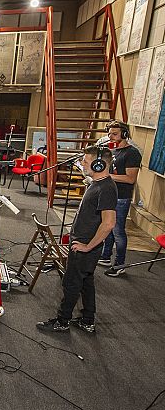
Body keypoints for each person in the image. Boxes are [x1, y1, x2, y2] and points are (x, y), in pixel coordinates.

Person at [37, 146, 117, 334]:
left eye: (86, 162)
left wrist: (88, 247)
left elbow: (109, 223)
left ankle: (62, 321)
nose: (82, 164)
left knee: (71, 283)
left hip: (85, 247)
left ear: (100, 165)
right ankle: (87, 320)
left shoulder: (106, 188)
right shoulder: (98, 183)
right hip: (82, 244)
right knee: (86, 281)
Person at [99, 120, 141, 277]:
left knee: (118, 231)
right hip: (111, 194)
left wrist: (108, 175)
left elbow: (130, 179)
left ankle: (119, 264)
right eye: (109, 133)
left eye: (114, 134)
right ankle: (105, 256)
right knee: (108, 227)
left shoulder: (132, 153)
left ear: (124, 134)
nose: (110, 136)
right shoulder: (114, 151)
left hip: (122, 198)